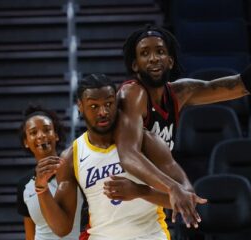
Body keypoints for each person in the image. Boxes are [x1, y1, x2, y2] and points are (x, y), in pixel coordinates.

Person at [115, 0, 251, 195]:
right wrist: (174, 188)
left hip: (148, 198)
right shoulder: (133, 93)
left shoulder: (179, 93)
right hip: (118, 193)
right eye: (145, 53)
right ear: (135, 65)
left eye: (160, 52)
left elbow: (244, 85)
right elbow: (128, 154)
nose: (154, 58)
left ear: (170, 61)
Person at [35, 74, 206, 240]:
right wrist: (41, 189)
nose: (103, 112)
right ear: (80, 106)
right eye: (94, 106)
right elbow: (62, 228)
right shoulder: (72, 157)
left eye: (108, 104)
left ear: (116, 102)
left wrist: (139, 191)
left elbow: (187, 197)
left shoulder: (146, 141)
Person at [16, 105, 83, 240]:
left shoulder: (75, 171)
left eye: (47, 130)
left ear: (56, 135)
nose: (41, 136)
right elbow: (30, 235)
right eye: (33, 133)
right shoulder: (24, 185)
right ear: (26, 142)